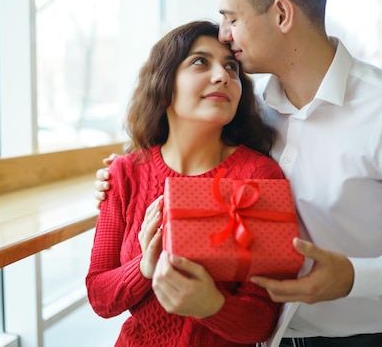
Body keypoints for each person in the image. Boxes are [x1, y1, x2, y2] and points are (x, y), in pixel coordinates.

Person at [95, 0, 382, 346]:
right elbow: (178, 155)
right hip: (265, 337)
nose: (225, 34)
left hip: (362, 339)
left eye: (232, 18)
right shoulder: (255, 116)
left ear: (282, 15)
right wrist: (117, 175)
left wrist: (355, 276)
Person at [86, 20, 287, 347]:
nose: (223, 75)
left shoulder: (261, 176)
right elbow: (100, 297)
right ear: (164, 82)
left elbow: (263, 321)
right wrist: (144, 268)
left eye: (231, 67)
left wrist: (213, 306)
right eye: (199, 61)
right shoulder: (124, 173)